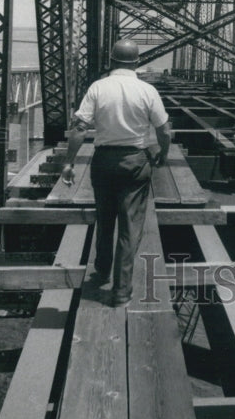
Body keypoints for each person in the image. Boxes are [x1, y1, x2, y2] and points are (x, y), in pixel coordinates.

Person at [61, 39, 171, 306]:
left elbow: (79, 128)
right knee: (129, 226)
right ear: (136, 62)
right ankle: (121, 291)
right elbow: (164, 130)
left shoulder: (98, 88)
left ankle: (101, 269)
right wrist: (162, 154)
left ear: (111, 61)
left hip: (103, 161)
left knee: (105, 217)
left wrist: (69, 163)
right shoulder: (147, 90)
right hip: (135, 162)